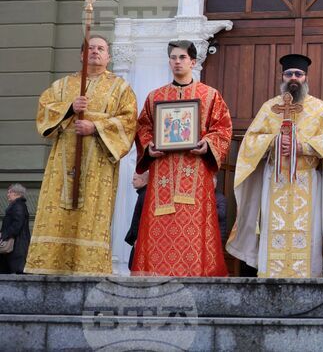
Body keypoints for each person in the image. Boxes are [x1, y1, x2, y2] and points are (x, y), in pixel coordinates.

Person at [228, 53, 323, 278]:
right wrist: (273, 141)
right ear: (282, 77)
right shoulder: (269, 108)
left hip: (307, 182)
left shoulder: (318, 108)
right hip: (274, 182)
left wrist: (303, 147)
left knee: (308, 235)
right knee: (271, 229)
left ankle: (308, 281)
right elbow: (250, 141)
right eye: (289, 74)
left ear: (306, 77)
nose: (293, 78)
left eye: (299, 74)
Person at [26, 36, 137, 275]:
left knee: (92, 214)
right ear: (81, 55)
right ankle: (49, 265)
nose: (95, 51)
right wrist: (69, 108)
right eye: (90, 48)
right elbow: (44, 109)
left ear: (109, 56)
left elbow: (129, 121)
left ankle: (89, 267)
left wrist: (94, 127)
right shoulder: (62, 86)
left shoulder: (121, 88)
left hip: (97, 162)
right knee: (57, 210)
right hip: (63, 162)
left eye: (101, 48)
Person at [131, 40, 233, 276]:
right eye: (173, 58)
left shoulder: (210, 96)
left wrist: (207, 145)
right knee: (159, 227)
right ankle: (154, 276)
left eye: (182, 58)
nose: (177, 62)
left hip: (195, 175)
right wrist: (149, 147)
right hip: (162, 176)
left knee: (195, 229)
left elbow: (223, 129)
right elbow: (143, 128)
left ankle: (198, 275)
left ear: (193, 62)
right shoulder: (155, 97)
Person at [0, 184, 31, 274]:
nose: (8, 195)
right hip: (16, 243)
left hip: (17, 245)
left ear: (17, 193)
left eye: (10, 192)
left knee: (16, 270)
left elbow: (17, 224)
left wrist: (3, 234)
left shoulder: (18, 206)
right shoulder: (17, 205)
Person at [124, 170, 148, 271]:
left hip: (140, 239)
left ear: (143, 181)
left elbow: (141, 220)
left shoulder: (144, 196)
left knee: (134, 266)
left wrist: (138, 238)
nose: (132, 182)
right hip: (138, 238)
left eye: (135, 179)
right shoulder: (143, 194)